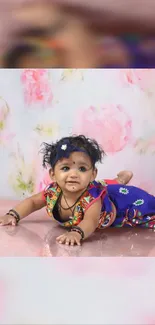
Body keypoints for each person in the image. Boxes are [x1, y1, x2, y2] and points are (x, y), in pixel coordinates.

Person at [0, 135, 154, 246]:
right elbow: (32, 202)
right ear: (53, 174)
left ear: (92, 173)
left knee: (134, 199)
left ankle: (120, 183)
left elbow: (90, 221)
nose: (73, 174)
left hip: (120, 203)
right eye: (65, 168)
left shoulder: (92, 198)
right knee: (103, 186)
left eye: (82, 168)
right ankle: (118, 179)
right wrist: (13, 214)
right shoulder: (52, 192)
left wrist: (77, 233)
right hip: (98, 187)